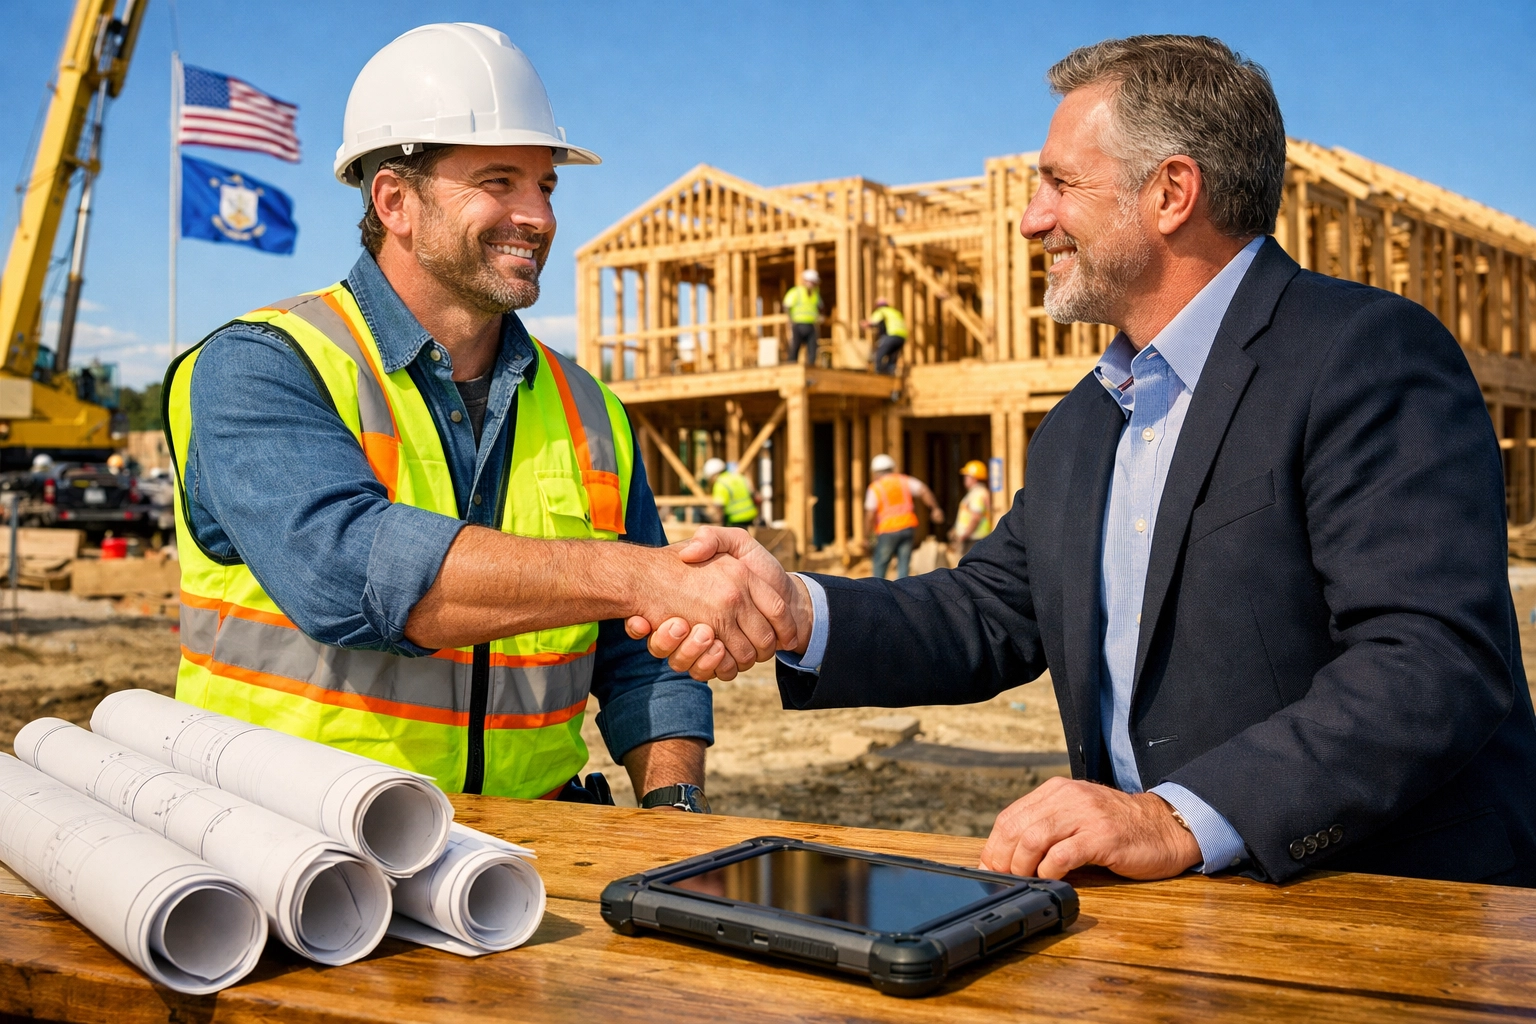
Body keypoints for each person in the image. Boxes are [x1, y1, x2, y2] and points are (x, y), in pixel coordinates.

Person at [633, 34, 1536, 887]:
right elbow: (989, 612)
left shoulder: (1363, 355)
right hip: (1170, 930)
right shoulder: (1087, 420)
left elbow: (1430, 661)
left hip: (1379, 918)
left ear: (1171, 192)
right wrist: (798, 608)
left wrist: (1182, 818)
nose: (1032, 221)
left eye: (1060, 184)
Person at [163, 23, 795, 814]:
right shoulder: (263, 364)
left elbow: (642, 657)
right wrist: (645, 573)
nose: (537, 215)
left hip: (533, 854)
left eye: (546, 186)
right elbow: (349, 573)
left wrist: (673, 809)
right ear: (395, 200)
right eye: (499, 182)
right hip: (294, 852)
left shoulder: (589, 408)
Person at [865, 454, 943, 580]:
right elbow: (923, 490)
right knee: (904, 566)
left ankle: (877, 593)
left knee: (880, 565)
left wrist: (867, 535)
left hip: (887, 530)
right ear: (892, 468)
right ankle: (903, 595)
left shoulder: (875, 488)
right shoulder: (904, 481)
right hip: (907, 527)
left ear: (875, 472)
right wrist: (935, 508)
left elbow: (869, 514)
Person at [949, 460, 992, 558]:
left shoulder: (977, 494)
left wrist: (964, 534)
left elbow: (975, 517)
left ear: (974, 478)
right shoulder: (977, 492)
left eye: (967, 476)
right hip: (974, 538)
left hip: (974, 539)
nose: (965, 479)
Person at [782, 270, 824, 366]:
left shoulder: (815, 294)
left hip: (811, 325)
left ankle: (812, 370)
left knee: (812, 349)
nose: (812, 284)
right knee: (795, 348)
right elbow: (786, 306)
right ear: (805, 281)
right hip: (798, 324)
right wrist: (789, 319)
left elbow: (820, 307)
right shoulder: (796, 292)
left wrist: (820, 317)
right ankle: (791, 368)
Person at [702, 457, 758, 527]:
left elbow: (719, 506)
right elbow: (753, 493)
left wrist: (720, 523)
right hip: (750, 516)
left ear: (712, 475)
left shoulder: (720, 484)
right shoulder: (738, 476)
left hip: (735, 519)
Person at [860, 299, 908, 375]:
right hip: (901, 338)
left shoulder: (882, 311)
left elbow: (873, 321)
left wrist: (865, 324)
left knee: (879, 355)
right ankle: (890, 373)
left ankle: (879, 374)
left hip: (891, 335)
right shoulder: (895, 312)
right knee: (892, 357)